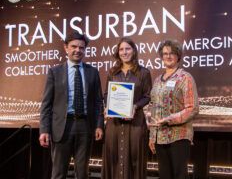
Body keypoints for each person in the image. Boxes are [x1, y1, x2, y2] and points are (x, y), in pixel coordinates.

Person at [39, 31, 104, 179]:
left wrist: (99, 125)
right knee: (58, 173)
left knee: (82, 173)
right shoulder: (54, 72)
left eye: (81, 47)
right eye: (74, 46)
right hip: (62, 127)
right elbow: (46, 103)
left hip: (85, 126)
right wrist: (44, 129)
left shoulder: (92, 72)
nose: (78, 50)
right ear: (65, 48)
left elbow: (98, 102)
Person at [101, 37, 152, 179]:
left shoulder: (144, 72)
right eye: (121, 49)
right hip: (114, 124)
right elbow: (106, 94)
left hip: (135, 122)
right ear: (118, 52)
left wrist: (135, 106)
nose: (124, 52)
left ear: (134, 51)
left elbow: (148, 96)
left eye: (127, 48)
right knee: (113, 158)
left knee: (135, 159)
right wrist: (108, 106)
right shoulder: (112, 72)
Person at [148, 39, 199, 179]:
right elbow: (154, 108)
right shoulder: (158, 80)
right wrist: (152, 137)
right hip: (159, 137)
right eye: (165, 54)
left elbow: (192, 108)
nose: (168, 56)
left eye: (172, 53)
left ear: (178, 56)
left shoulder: (185, 77)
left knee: (179, 175)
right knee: (164, 175)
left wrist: (170, 119)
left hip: (179, 136)